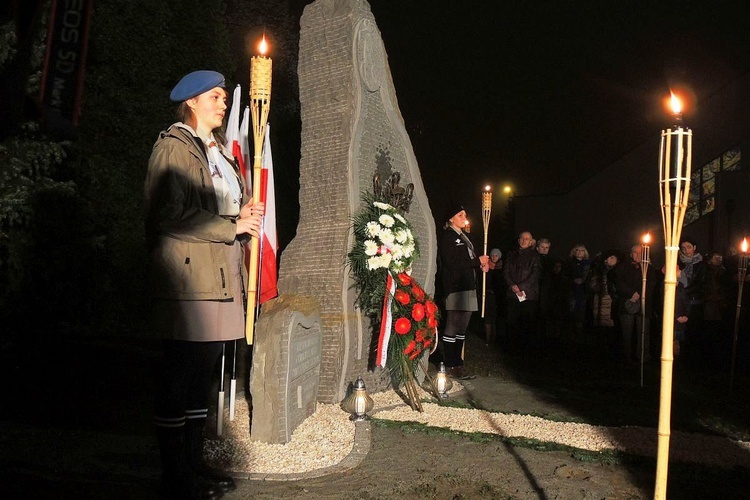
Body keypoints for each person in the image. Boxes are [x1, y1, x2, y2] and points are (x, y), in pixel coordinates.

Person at [144, 70, 264, 500]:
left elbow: (225, 209)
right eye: (215, 95)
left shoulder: (220, 156)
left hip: (221, 278)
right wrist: (232, 226)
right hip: (190, 280)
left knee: (201, 379)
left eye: (223, 96)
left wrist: (244, 209)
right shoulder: (173, 148)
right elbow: (167, 215)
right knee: (178, 378)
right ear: (192, 101)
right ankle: (174, 476)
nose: (223, 101)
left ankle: (194, 463)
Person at [437, 203, 489, 379]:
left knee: (462, 328)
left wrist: (481, 264)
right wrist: (476, 262)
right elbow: (452, 264)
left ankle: (458, 363)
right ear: (451, 218)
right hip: (456, 286)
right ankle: (450, 364)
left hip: (468, 285)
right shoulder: (448, 237)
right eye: (460, 215)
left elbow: (471, 259)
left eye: (465, 214)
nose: (464, 217)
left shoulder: (464, 237)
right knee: (453, 324)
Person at [613, 245, 657, 362]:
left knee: (643, 333)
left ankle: (643, 356)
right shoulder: (622, 267)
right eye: (635, 252)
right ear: (630, 254)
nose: (637, 255)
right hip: (627, 303)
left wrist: (640, 295)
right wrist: (631, 293)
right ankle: (625, 357)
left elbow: (651, 285)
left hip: (643, 305)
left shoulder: (649, 269)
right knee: (626, 333)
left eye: (640, 252)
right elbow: (619, 283)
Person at [502, 231, 541, 354]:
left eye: (527, 239)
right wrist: (513, 286)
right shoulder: (511, 255)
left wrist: (521, 287)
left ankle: (526, 350)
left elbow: (535, 275)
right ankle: (511, 349)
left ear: (531, 242)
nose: (524, 240)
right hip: (513, 295)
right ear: (519, 240)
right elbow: (506, 272)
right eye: (522, 238)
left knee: (526, 324)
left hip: (528, 296)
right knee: (511, 323)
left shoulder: (535, 256)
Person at [678, 236, 706, 361]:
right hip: (680, 300)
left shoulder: (701, 265)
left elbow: (700, 283)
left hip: (694, 301)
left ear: (694, 248)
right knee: (681, 330)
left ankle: (693, 358)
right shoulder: (679, 263)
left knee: (693, 330)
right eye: (683, 248)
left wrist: (684, 292)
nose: (686, 250)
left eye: (689, 247)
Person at [587, 249, 619, 353]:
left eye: (615, 257)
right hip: (602, 299)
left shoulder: (618, 271)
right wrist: (602, 289)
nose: (613, 259)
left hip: (613, 300)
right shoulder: (598, 271)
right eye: (611, 257)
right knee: (601, 325)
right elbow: (592, 284)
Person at [564, 244, 592, 337]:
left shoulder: (589, 264)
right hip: (571, 291)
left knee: (581, 313)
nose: (579, 252)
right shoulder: (569, 263)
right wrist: (573, 280)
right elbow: (564, 277)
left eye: (582, 250)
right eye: (577, 250)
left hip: (584, 292)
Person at [482, 248, 503, 345]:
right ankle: (487, 338)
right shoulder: (486, 267)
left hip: (497, 296)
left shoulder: (502, 268)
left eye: (496, 255)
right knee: (487, 317)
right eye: (493, 255)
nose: (494, 257)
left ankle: (493, 339)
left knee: (494, 318)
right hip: (487, 295)